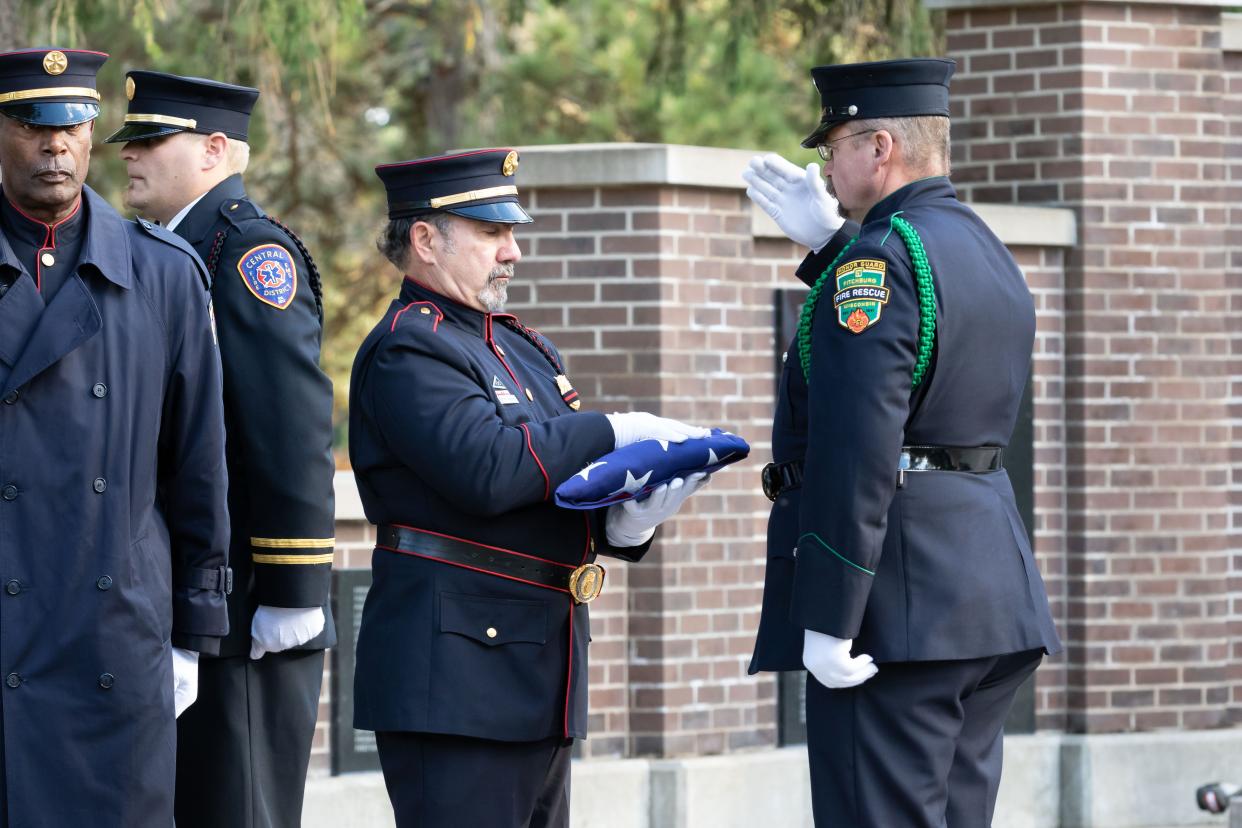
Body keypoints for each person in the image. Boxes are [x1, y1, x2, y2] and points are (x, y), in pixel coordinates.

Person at [349, 148, 709, 827]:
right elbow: (488, 469)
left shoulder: (526, 351)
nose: (512, 251)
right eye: (492, 233)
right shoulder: (408, 348)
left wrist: (627, 522)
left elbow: (559, 484)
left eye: (511, 233)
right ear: (425, 239)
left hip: (537, 670)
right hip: (456, 682)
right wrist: (615, 428)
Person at [744, 58, 1062, 827]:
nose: (826, 164)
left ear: (879, 147)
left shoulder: (881, 261)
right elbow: (934, 380)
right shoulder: (981, 246)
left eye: (834, 145)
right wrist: (832, 249)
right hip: (983, 595)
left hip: (897, 607)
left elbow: (859, 448)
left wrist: (830, 613)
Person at [0, 48, 230, 825]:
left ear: (92, 135)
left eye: (72, 124)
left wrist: (197, 627)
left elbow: (198, 463)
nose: (55, 144)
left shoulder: (162, 272)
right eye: (32, 125)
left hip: (115, 638)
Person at [105, 72, 336, 828]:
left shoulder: (245, 254)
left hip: (248, 612)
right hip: (190, 600)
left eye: (149, 140)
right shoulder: (165, 251)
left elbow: (289, 422)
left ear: (213, 150)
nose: (129, 156)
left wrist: (295, 588)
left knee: (240, 807)